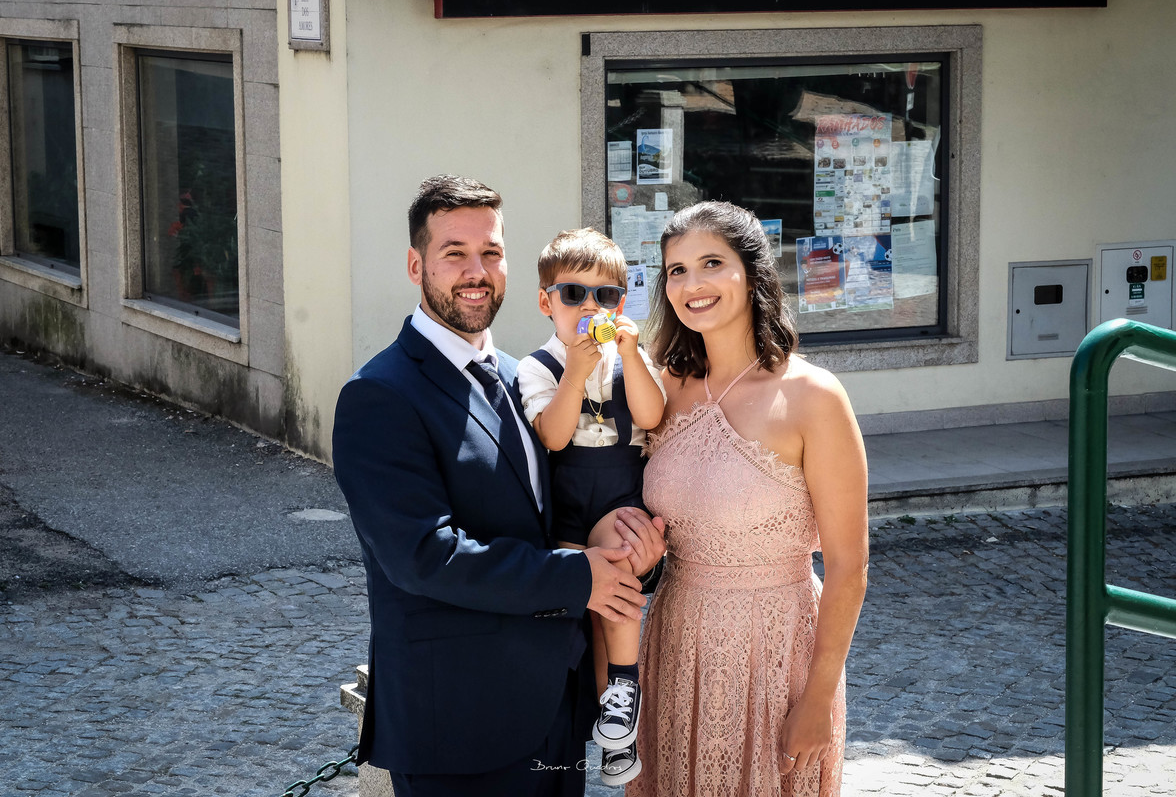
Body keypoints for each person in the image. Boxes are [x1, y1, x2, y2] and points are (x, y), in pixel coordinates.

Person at [332, 175, 663, 797]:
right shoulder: (378, 395)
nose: (476, 271)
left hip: (555, 713)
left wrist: (629, 548)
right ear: (416, 265)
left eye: (491, 252)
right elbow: (422, 556)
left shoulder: (522, 377)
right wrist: (578, 576)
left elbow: (565, 511)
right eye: (454, 253)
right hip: (457, 726)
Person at [627, 201, 869, 797]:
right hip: (675, 642)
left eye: (712, 263)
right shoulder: (661, 386)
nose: (693, 283)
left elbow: (849, 565)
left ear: (753, 273)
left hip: (776, 649)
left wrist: (817, 698)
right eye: (677, 270)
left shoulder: (813, 396)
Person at [517, 228, 666, 786]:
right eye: (573, 294)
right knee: (590, 614)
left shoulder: (631, 358)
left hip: (617, 498)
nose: (589, 306)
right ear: (546, 302)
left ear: (620, 305)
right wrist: (575, 374)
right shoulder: (537, 367)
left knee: (618, 574)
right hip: (567, 504)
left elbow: (650, 417)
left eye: (604, 296)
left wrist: (629, 355)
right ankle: (611, 728)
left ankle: (623, 689)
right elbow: (553, 436)